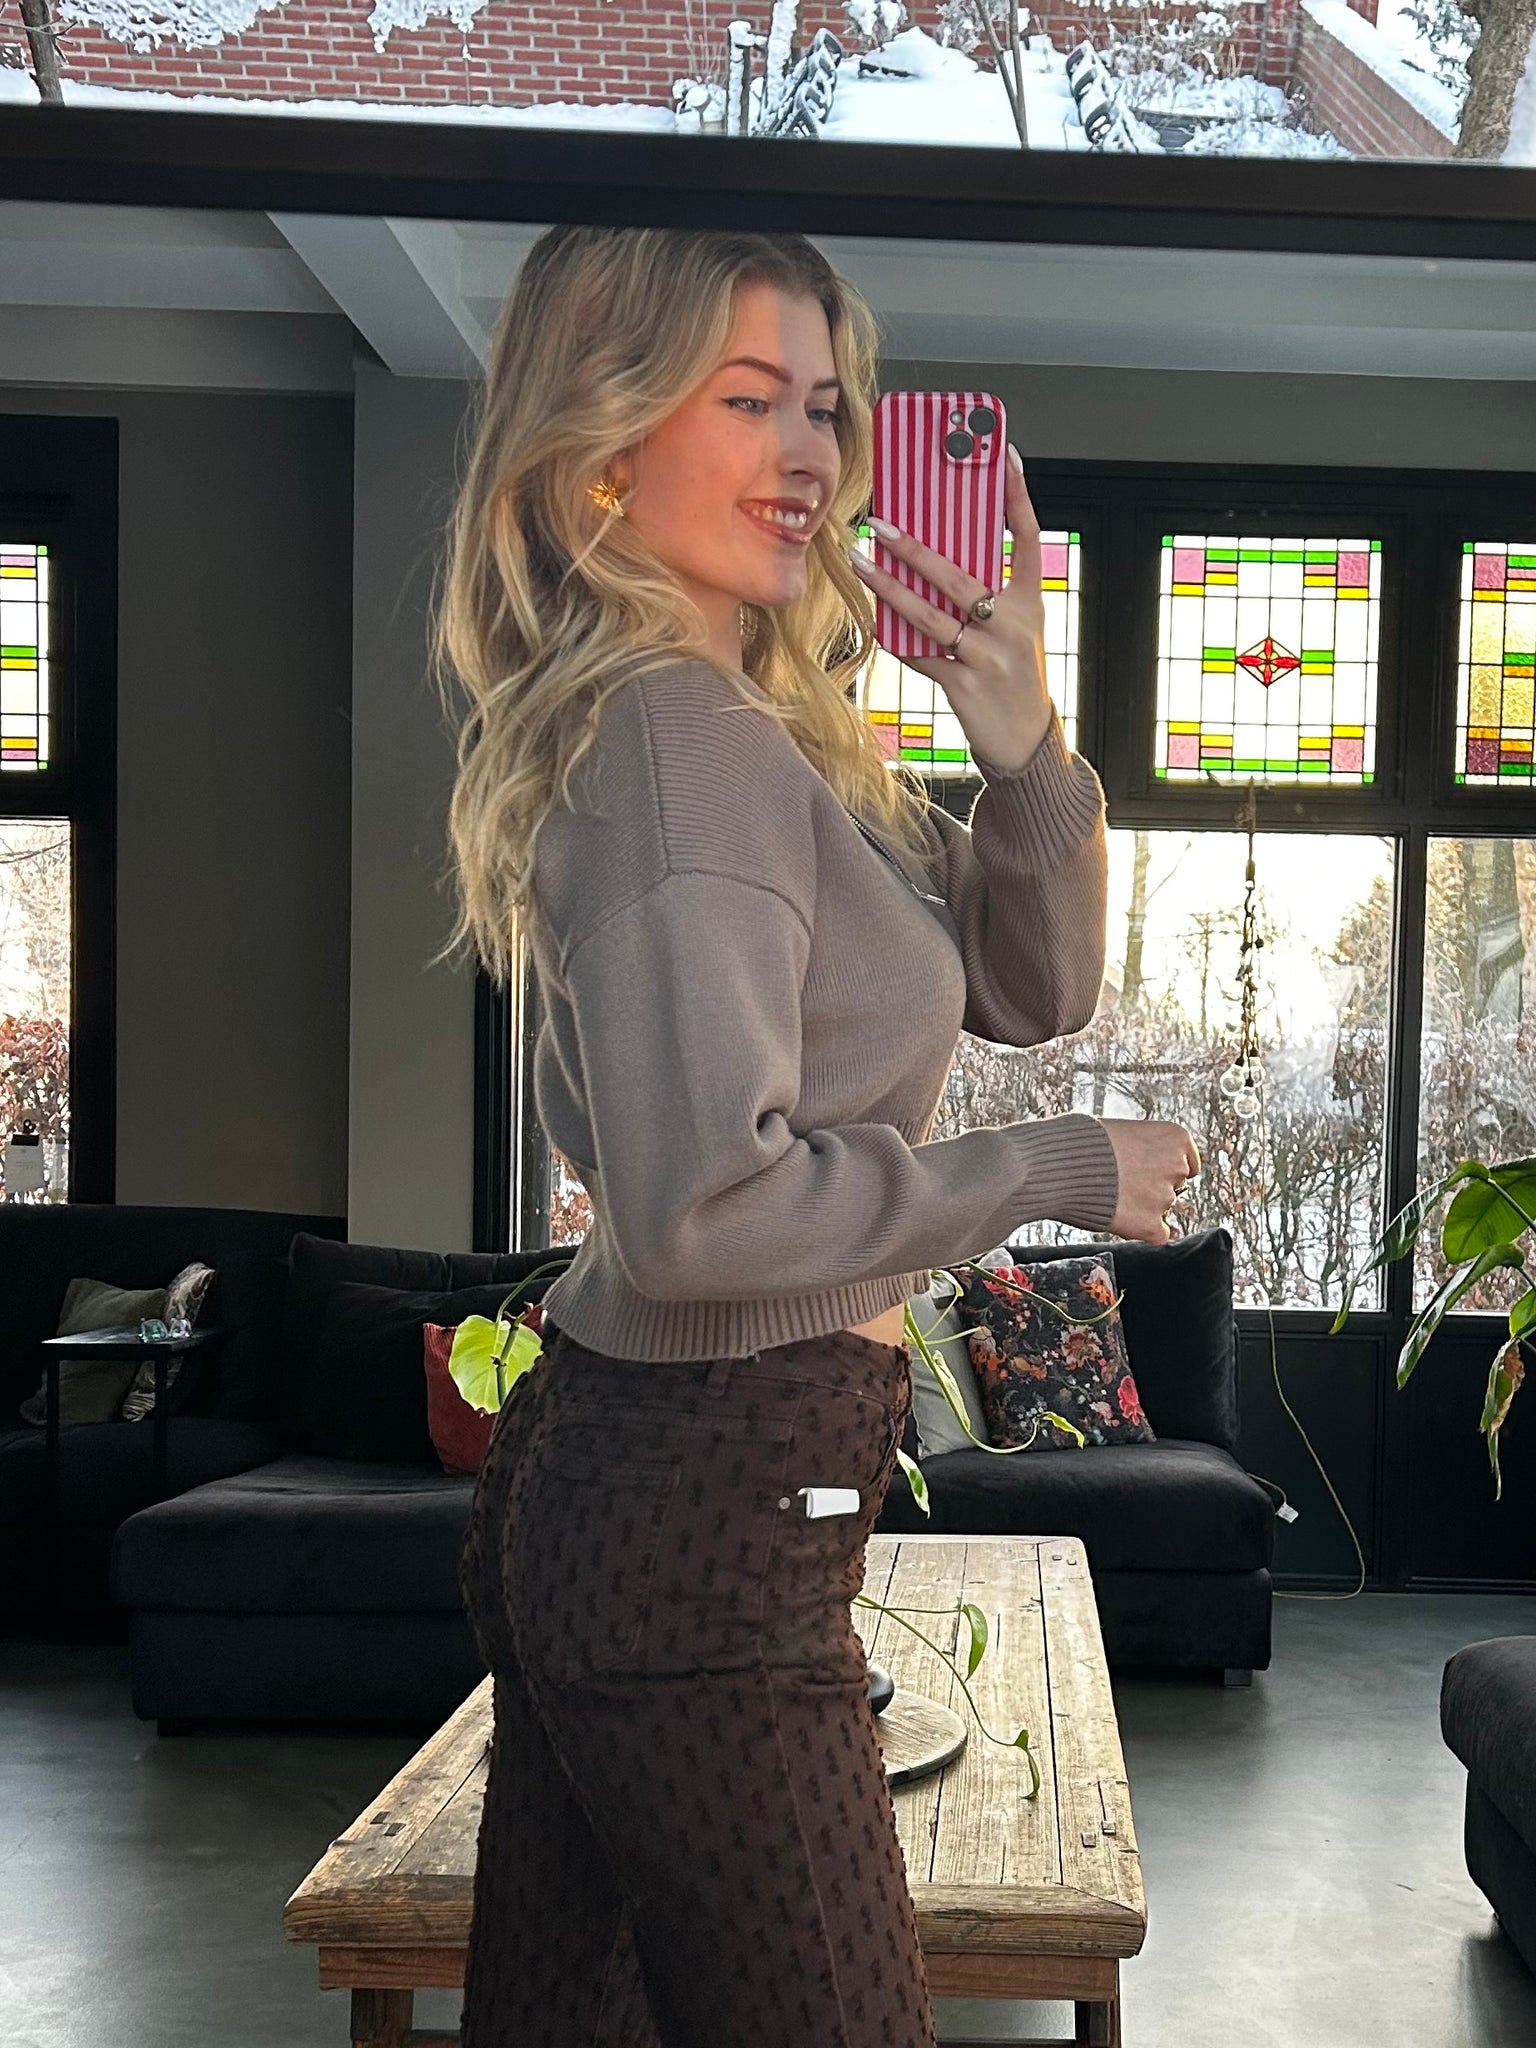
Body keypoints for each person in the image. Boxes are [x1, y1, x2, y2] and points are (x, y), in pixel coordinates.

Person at [432, 224, 1200, 2048]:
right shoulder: (678, 739)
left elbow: (1030, 986)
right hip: (704, 1505)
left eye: (829, 407)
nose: (807, 453)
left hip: (667, 1485)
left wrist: (1020, 739)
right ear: (604, 436)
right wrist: (1049, 1173)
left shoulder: (763, 729)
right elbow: (708, 1211)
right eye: (748, 399)